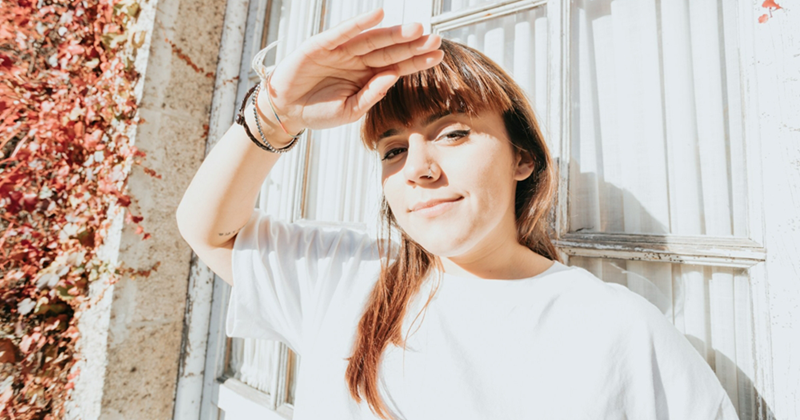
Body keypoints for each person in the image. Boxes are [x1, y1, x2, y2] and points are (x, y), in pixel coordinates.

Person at [176, 8, 738, 420]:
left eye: (454, 133)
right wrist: (276, 111)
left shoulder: (618, 330)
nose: (419, 168)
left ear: (522, 157)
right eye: (393, 149)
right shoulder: (347, 277)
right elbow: (208, 230)